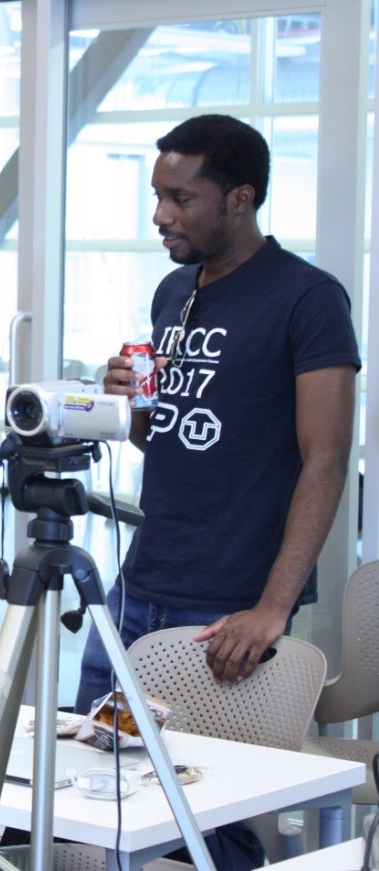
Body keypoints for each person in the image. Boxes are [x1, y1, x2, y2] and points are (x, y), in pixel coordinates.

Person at [76, 114, 359, 869]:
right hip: (139, 584)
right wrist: (130, 408)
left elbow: (324, 459)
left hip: (227, 604)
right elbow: (164, 434)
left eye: (179, 198)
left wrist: (271, 608)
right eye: (156, 195)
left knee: (207, 818)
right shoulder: (173, 293)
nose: (160, 214)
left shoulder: (307, 298)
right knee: (88, 790)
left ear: (239, 197)